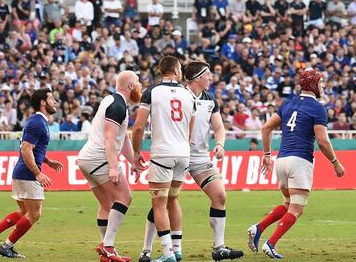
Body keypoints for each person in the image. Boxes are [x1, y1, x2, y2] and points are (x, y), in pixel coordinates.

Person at [141, 62, 243, 262]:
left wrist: (220, 144)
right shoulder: (179, 94)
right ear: (197, 77)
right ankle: (146, 249)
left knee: (220, 196)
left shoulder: (210, 100)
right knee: (162, 202)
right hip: (178, 153)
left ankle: (219, 247)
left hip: (199, 158)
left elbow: (219, 128)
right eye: (208, 75)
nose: (211, 78)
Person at [247, 69, 345, 258]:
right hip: (300, 161)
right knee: (297, 209)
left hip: (281, 160)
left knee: (288, 203)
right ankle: (271, 243)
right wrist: (335, 162)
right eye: (321, 83)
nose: (323, 87)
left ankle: (259, 228)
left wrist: (267, 154)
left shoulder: (288, 103)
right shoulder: (318, 108)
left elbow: (266, 127)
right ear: (314, 85)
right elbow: (323, 142)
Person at [0, 89, 64, 259]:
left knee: (23, 211)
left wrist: (47, 162)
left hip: (22, 172)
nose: (55, 102)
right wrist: (38, 173)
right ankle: (7, 246)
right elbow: (26, 149)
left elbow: (34, 148)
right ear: (43, 102)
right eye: (51, 99)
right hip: (28, 174)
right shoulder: (38, 123)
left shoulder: (37, 121)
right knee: (35, 214)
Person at [131, 56, 197, 262]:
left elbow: (139, 126)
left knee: (159, 204)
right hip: (183, 153)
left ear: (161, 71)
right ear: (177, 71)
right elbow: (190, 126)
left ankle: (168, 253)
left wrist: (135, 152)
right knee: (174, 199)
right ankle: (177, 249)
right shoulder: (188, 94)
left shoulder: (151, 92)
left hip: (162, 153)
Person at [77, 71, 143, 262]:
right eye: (137, 82)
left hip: (86, 159)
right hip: (99, 158)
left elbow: (122, 139)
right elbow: (109, 139)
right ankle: (108, 246)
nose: (140, 85)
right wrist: (114, 167)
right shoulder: (118, 106)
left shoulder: (112, 101)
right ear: (130, 86)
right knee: (124, 197)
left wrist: (133, 161)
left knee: (106, 204)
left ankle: (106, 251)